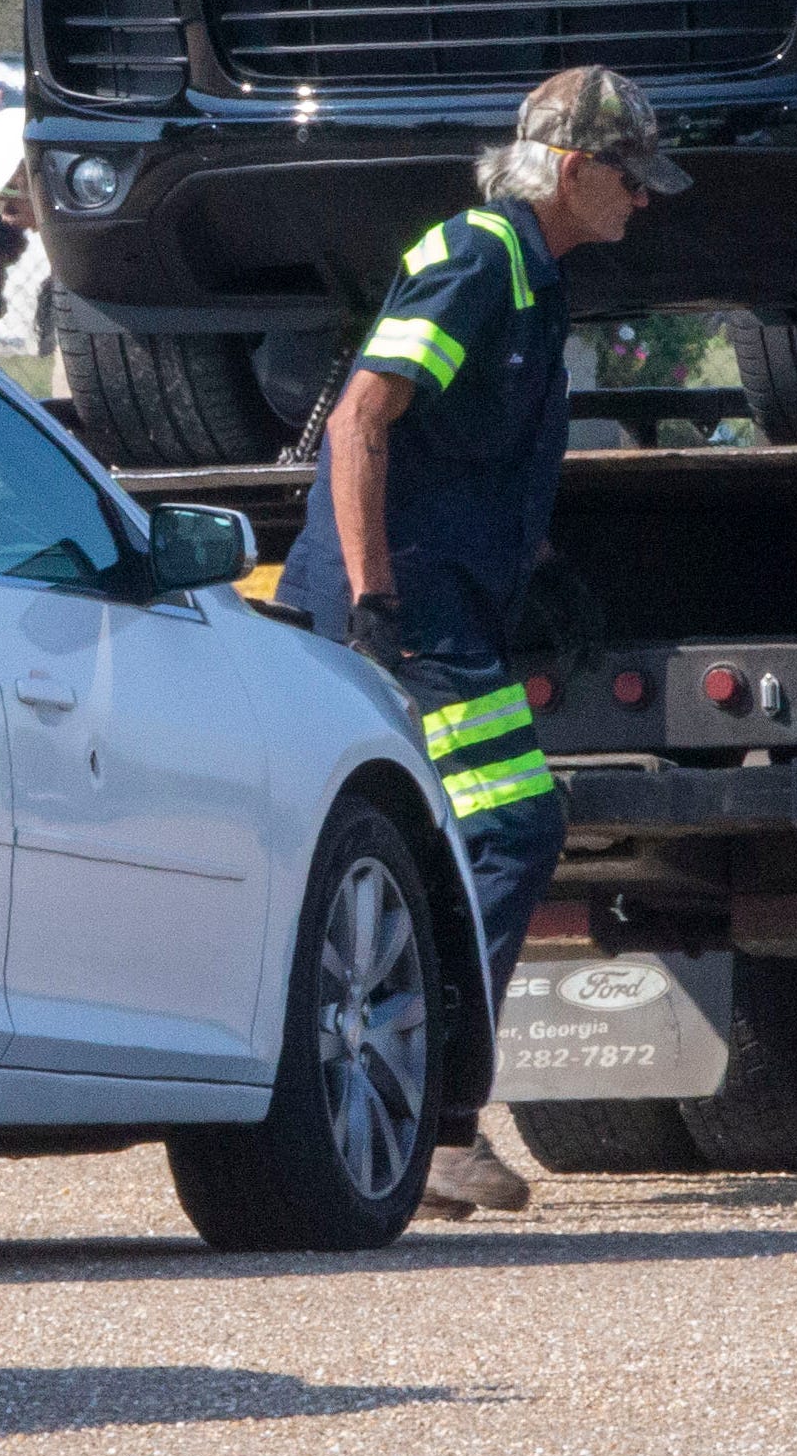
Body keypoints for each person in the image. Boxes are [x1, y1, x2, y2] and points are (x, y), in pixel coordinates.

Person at [276, 65, 689, 1220]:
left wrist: (538, 568)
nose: (642, 201)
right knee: (506, 828)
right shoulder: (476, 258)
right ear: (570, 168)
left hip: (455, 602)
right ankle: (437, 1122)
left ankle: (418, 1108)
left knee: (476, 836)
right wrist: (369, 604)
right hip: (411, 612)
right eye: (629, 177)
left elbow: (475, 450)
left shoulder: (532, 272)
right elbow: (363, 417)